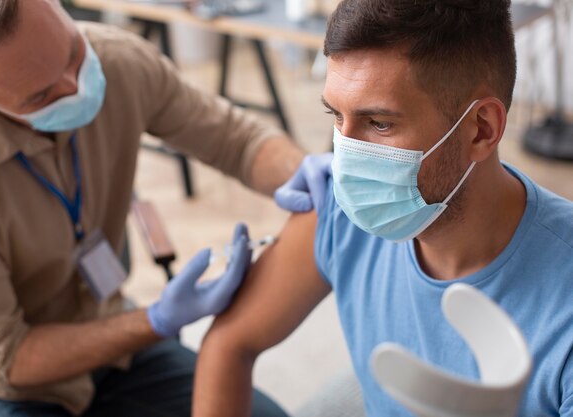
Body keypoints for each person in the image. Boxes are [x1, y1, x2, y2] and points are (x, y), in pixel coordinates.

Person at [0, 0, 332, 416]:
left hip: (110, 346)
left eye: (73, 53)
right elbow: (3, 357)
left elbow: (237, 140)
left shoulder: (117, 61)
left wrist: (308, 173)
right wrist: (158, 320)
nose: (75, 85)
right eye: (42, 95)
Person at [193, 0, 573, 416]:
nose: (346, 160)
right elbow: (229, 342)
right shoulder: (340, 209)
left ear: (481, 129)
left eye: (379, 124)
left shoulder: (561, 309)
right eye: (337, 117)